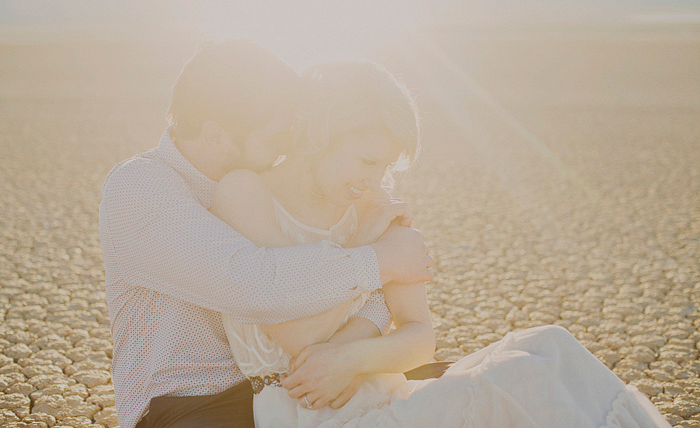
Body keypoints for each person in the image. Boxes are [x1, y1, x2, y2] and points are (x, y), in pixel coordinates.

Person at [210, 59, 672, 427]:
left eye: (385, 167)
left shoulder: (374, 207)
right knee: (526, 377)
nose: (372, 181)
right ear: (318, 136)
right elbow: (298, 334)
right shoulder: (247, 193)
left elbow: (419, 339)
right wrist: (369, 249)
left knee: (549, 345)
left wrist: (352, 357)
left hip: (390, 397)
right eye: (366, 160)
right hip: (310, 413)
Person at [98, 40, 436, 428]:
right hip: (188, 403)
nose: (287, 149)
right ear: (215, 135)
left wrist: (352, 346)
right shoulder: (142, 187)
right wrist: (378, 258)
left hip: (281, 393)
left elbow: (358, 297)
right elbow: (257, 286)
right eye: (274, 139)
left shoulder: (268, 192)